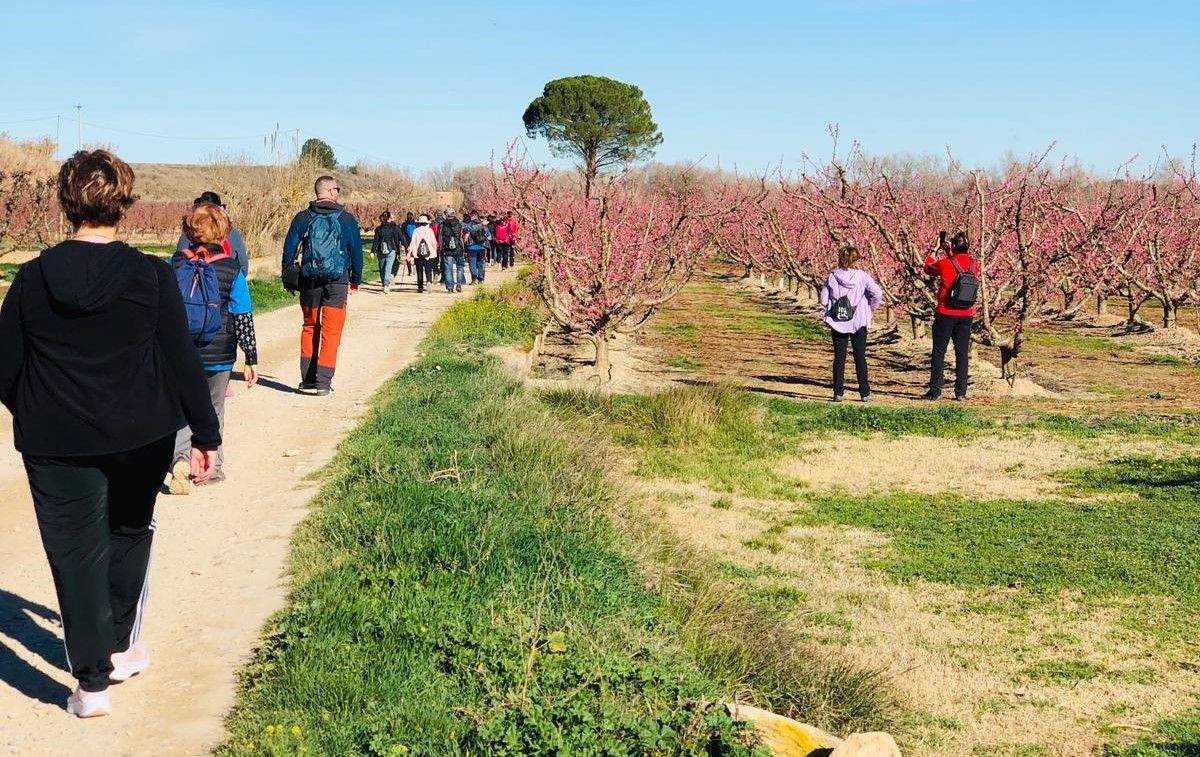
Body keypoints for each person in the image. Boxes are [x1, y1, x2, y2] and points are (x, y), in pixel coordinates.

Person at [0, 150, 219, 718]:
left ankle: (92, 685)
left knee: (75, 552)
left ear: (64, 202)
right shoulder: (150, 275)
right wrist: (205, 434)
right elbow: (181, 360)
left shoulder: (32, 278)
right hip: (141, 434)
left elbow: (5, 368)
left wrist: (38, 406)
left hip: (54, 441)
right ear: (125, 203)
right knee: (127, 532)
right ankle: (119, 648)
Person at [167, 203, 260, 494]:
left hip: (181, 352)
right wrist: (251, 358)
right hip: (219, 354)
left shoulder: (175, 264)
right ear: (223, 233)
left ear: (189, 231)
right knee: (214, 407)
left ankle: (181, 460)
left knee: (181, 408)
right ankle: (214, 466)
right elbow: (242, 315)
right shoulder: (231, 269)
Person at [281, 176, 363, 396]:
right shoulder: (346, 219)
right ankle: (323, 383)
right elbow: (356, 251)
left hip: (309, 280)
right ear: (331, 191)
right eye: (337, 188)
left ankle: (307, 380)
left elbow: (289, 250)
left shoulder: (302, 217)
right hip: (337, 280)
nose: (338, 192)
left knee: (310, 326)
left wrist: (288, 278)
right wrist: (355, 279)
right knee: (331, 330)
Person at [819, 246, 883, 402]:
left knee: (839, 357)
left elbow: (823, 300)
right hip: (858, 321)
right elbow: (877, 293)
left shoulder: (833, 276)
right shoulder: (863, 277)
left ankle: (838, 392)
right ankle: (864, 393)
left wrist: (833, 303)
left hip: (838, 321)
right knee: (860, 356)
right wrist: (870, 308)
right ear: (856, 260)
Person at [923, 231, 978, 401]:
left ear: (953, 246)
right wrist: (950, 252)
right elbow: (958, 266)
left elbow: (928, 269)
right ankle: (961, 392)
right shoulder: (974, 264)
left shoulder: (945, 263)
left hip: (945, 313)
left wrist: (935, 250)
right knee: (962, 353)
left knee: (939, 351)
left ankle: (935, 390)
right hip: (966, 314)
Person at [175, 191, 250, 275]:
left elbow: (178, 263)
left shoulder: (189, 233)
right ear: (220, 210)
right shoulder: (233, 233)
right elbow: (244, 267)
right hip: (227, 276)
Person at [371, 211, 404, 293]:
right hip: (391, 249)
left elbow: (376, 241)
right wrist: (404, 248)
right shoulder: (394, 228)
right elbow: (399, 238)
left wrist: (373, 251)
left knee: (382, 268)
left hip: (381, 250)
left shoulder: (378, 229)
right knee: (388, 268)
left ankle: (384, 284)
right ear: (389, 218)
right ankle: (386, 284)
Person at [406, 214, 439, 293]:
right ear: (426, 223)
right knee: (428, 269)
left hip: (418, 254)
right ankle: (428, 281)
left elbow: (413, 242)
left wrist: (409, 252)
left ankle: (420, 287)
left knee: (419, 270)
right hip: (429, 253)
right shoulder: (430, 230)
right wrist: (435, 251)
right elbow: (433, 242)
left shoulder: (416, 230)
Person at [438, 208, 467, 293]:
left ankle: (450, 287)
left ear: (446, 215)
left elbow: (440, 237)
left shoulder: (442, 224)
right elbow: (468, 230)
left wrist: (440, 248)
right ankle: (459, 284)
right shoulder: (459, 223)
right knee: (460, 267)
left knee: (448, 268)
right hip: (458, 248)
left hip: (447, 249)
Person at [463, 211, 490, 284]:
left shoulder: (469, 225)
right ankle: (481, 279)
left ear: (472, 215)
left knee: (472, 264)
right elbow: (488, 235)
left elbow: (466, 235)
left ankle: (474, 279)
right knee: (481, 263)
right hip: (481, 247)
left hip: (471, 247)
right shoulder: (484, 224)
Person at [399, 211, 416, 277]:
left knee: (408, 256)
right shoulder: (416, 224)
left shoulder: (404, 224)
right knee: (414, 256)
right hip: (414, 242)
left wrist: (402, 243)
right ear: (412, 216)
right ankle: (414, 270)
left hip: (407, 243)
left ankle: (410, 271)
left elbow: (402, 235)